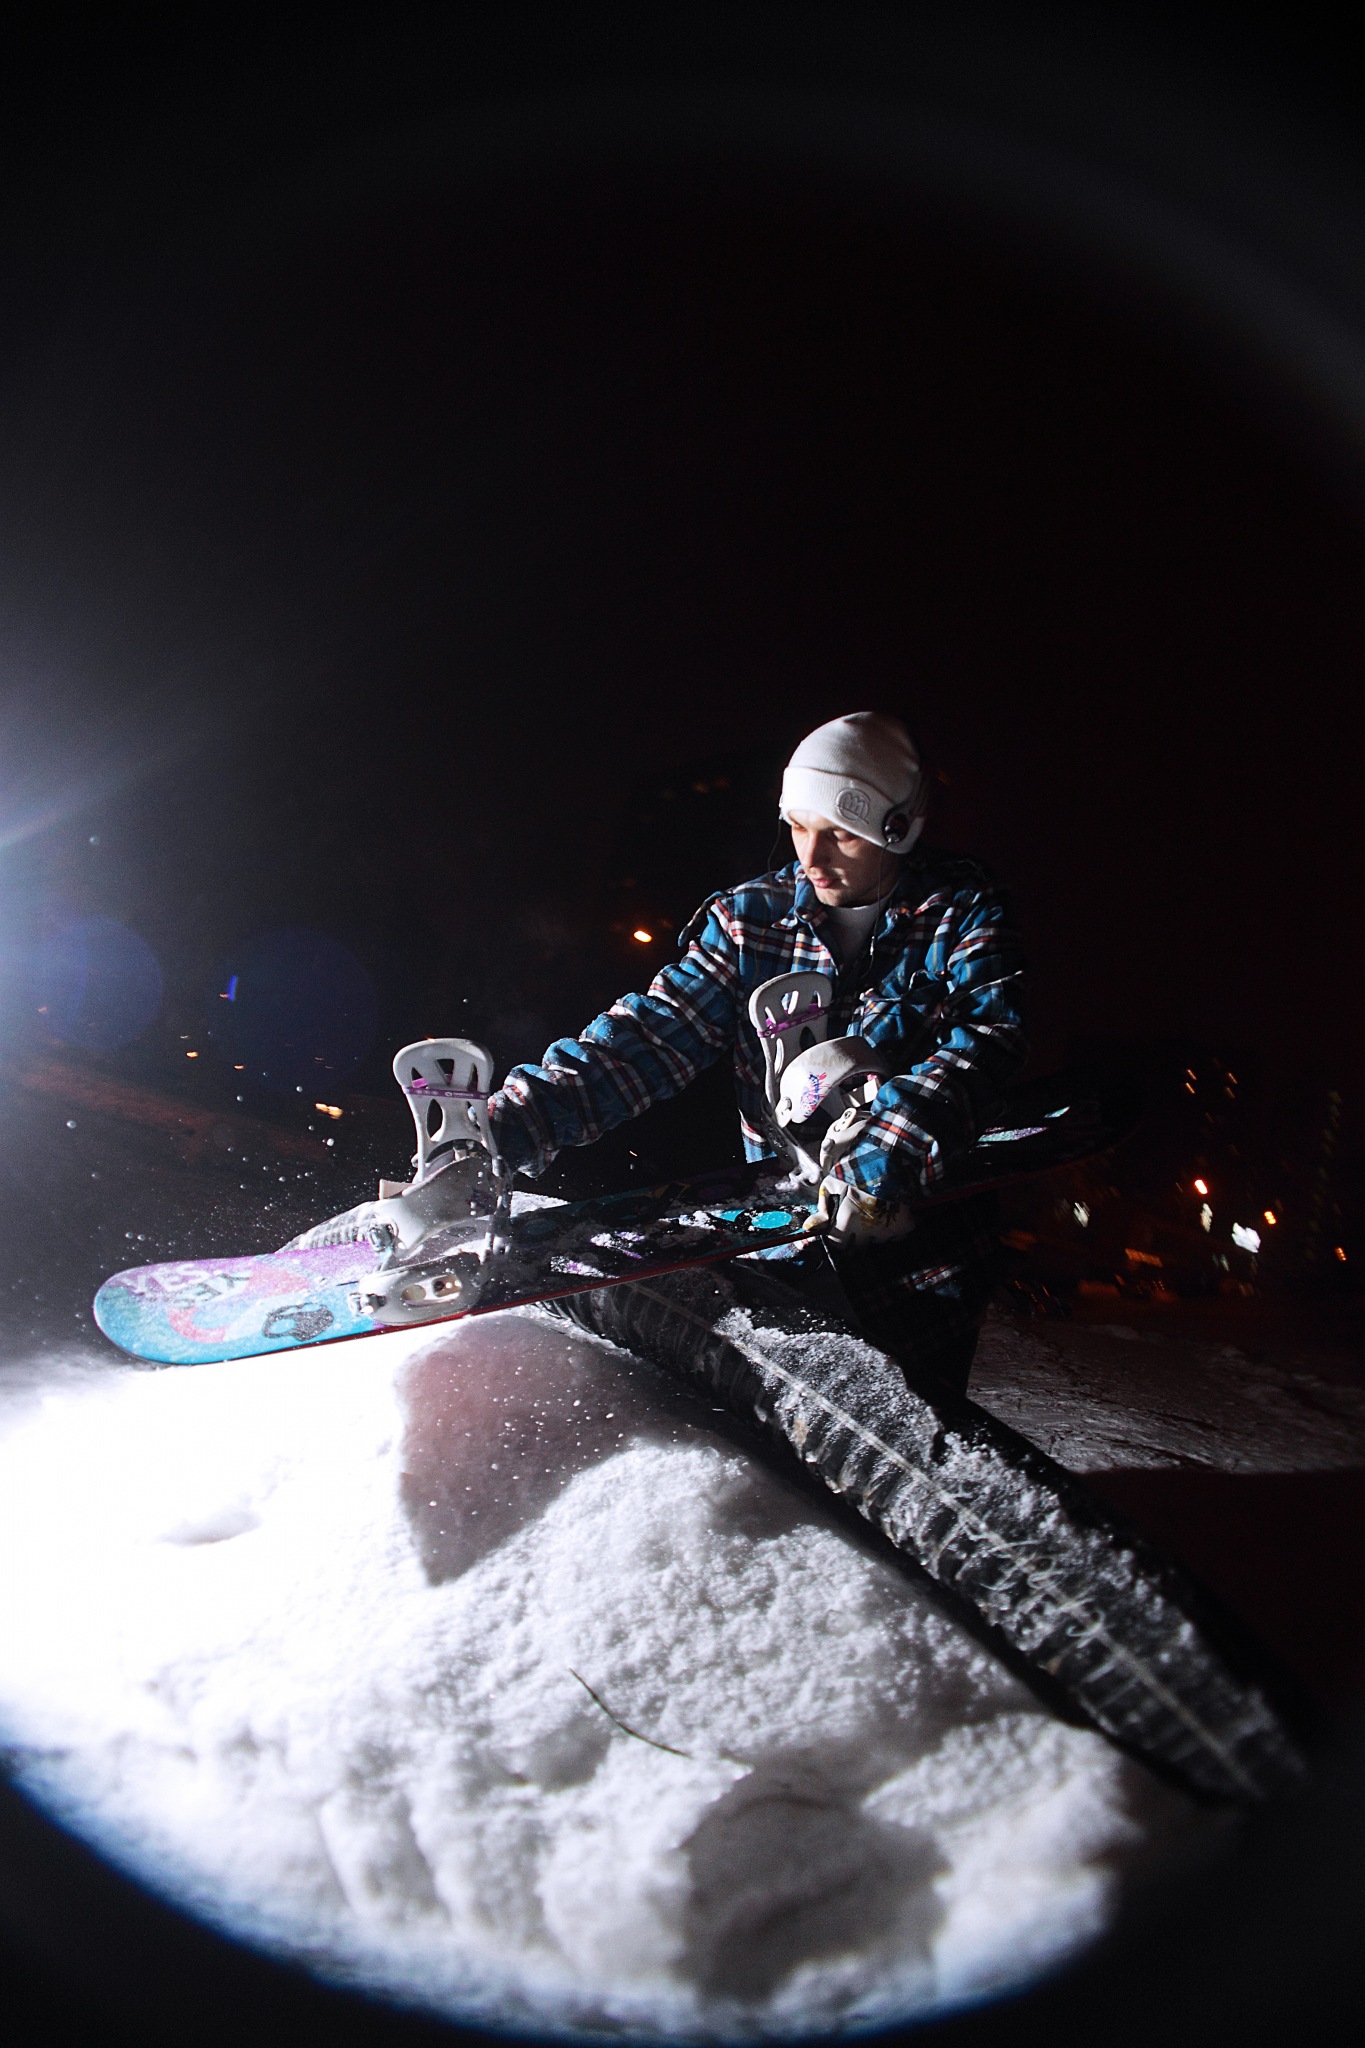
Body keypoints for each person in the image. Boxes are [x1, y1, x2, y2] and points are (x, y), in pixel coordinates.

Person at [485, 711, 1026, 1396]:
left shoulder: (963, 909)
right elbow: (650, 1037)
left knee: (902, 1420)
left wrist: (888, 1150)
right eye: (798, 827)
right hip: (788, 1240)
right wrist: (508, 1125)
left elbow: (985, 1035)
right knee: (781, 1424)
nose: (812, 857)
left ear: (900, 827)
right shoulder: (750, 922)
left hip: (925, 1261)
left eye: (840, 834)